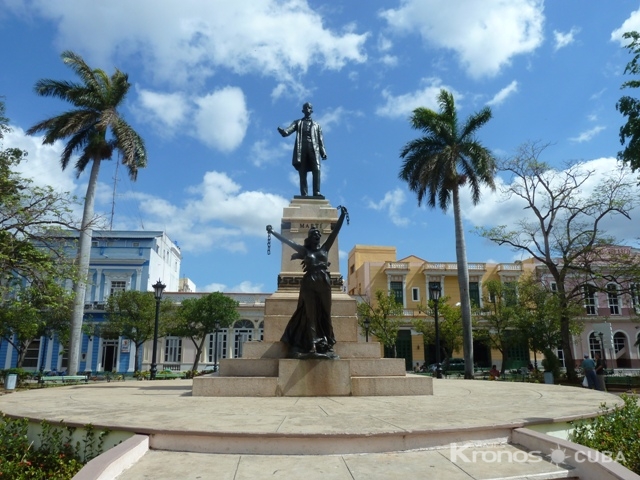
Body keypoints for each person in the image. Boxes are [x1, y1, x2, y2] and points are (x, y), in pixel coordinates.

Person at [266, 205, 348, 359]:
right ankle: (312, 345)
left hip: (324, 282)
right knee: (310, 314)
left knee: (325, 313)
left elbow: (335, 231)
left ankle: (328, 342)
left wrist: (342, 215)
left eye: (318, 233)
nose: (317, 235)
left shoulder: (325, 249)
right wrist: (273, 232)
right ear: (310, 238)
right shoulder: (305, 251)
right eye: (314, 233)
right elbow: (288, 242)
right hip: (309, 283)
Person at [277, 102, 327, 197]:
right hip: (302, 149)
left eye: (309, 107)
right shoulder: (298, 122)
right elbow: (289, 130)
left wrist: (323, 152)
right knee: (302, 171)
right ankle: (304, 193)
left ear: (311, 110)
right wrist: (284, 132)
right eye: (306, 107)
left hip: (314, 149)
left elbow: (320, 140)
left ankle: (316, 192)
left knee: (317, 169)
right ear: (303, 110)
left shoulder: (317, 125)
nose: (308, 109)